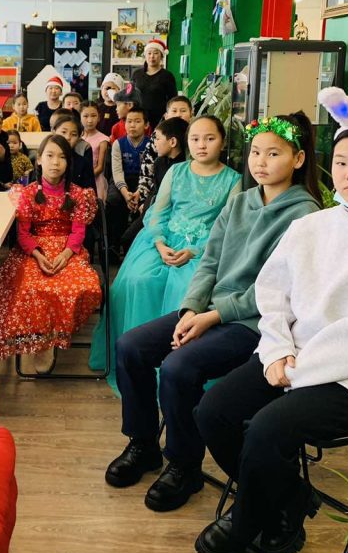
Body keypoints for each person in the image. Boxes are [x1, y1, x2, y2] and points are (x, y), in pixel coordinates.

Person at [194, 88, 348, 553]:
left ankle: (249, 519)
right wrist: (277, 350)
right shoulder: (314, 226)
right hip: (290, 358)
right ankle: (287, 499)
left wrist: (302, 368)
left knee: (267, 429)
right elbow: (272, 294)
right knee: (213, 411)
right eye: (342, 162)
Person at [105, 113, 321, 514]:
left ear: (298, 159)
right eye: (256, 152)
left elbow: (277, 291)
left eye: (273, 154)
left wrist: (212, 316)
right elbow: (210, 261)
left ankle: (184, 465)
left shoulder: (304, 215)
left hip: (257, 324)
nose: (261, 162)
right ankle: (143, 443)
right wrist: (191, 308)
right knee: (131, 346)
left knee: (178, 367)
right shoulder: (241, 201)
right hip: (211, 310)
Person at [90, 116, 241, 389]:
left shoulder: (233, 180)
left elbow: (228, 226)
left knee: (185, 290)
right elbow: (158, 212)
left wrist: (194, 250)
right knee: (137, 281)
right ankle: (133, 361)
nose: (202, 145)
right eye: (195, 139)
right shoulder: (176, 172)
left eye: (210, 139)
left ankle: (175, 371)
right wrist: (159, 243)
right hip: (162, 240)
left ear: (222, 142)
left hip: (205, 248)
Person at [0, 134, 101, 372]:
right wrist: (38, 255)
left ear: (68, 163)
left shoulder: (78, 194)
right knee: (30, 287)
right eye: (50, 156)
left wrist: (66, 255)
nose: (55, 162)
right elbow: (23, 234)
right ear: (39, 159)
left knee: (81, 285)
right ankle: (42, 341)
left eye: (62, 157)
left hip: (68, 250)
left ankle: (55, 334)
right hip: (34, 250)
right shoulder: (28, 193)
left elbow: (78, 232)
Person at [119, 115, 190, 255]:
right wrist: (145, 206)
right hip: (155, 211)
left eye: (157, 139)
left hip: (175, 216)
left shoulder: (185, 166)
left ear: (172, 142)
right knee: (127, 239)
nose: (154, 143)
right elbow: (155, 190)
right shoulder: (159, 162)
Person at [132, 95, 195, 235]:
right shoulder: (158, 141)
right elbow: (148, 174)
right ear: (166, 115)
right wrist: (144, 200)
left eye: (183, 110)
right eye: (174, 111)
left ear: (192, 113)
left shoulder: (194, 142)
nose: (178, 114)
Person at [107, 105, 151, 253]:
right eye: (129, 121)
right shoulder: (118, 144)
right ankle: (113, 245)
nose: (132, 125)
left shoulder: (151, 144)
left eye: (137, 121)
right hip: (122, 181)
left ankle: (135, 247)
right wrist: (126, 195)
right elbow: (117, 172)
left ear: (146, 125)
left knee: (146, 204)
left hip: (143, 181)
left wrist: (139, 192)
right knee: (114, 201)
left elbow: (150, 173)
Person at [132, 38, 178, 128]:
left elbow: (173, 99)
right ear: (145, 55)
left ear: (161, 56)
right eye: (149, 53)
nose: (152, 56)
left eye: (156, 53)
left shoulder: (167, 76)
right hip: (139, 118)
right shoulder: (137, 74)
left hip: (159, 119)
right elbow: (130, 95)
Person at [51, 113, 96, 191]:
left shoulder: (83, 163)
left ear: (79, 138)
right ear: (54, 132)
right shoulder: (44, 157)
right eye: (63, 132)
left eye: (74, 134)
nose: (68, 137)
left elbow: (91, 193)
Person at [80, 100, 111, 200]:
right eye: (85, 116)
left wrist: (84, 178)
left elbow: (100, 167)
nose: (90, 120)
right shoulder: (77, 138)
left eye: (93, 116)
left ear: (99, 118)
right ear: (80, 117)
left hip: (95, 181)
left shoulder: (103, 139)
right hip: (76, 180)